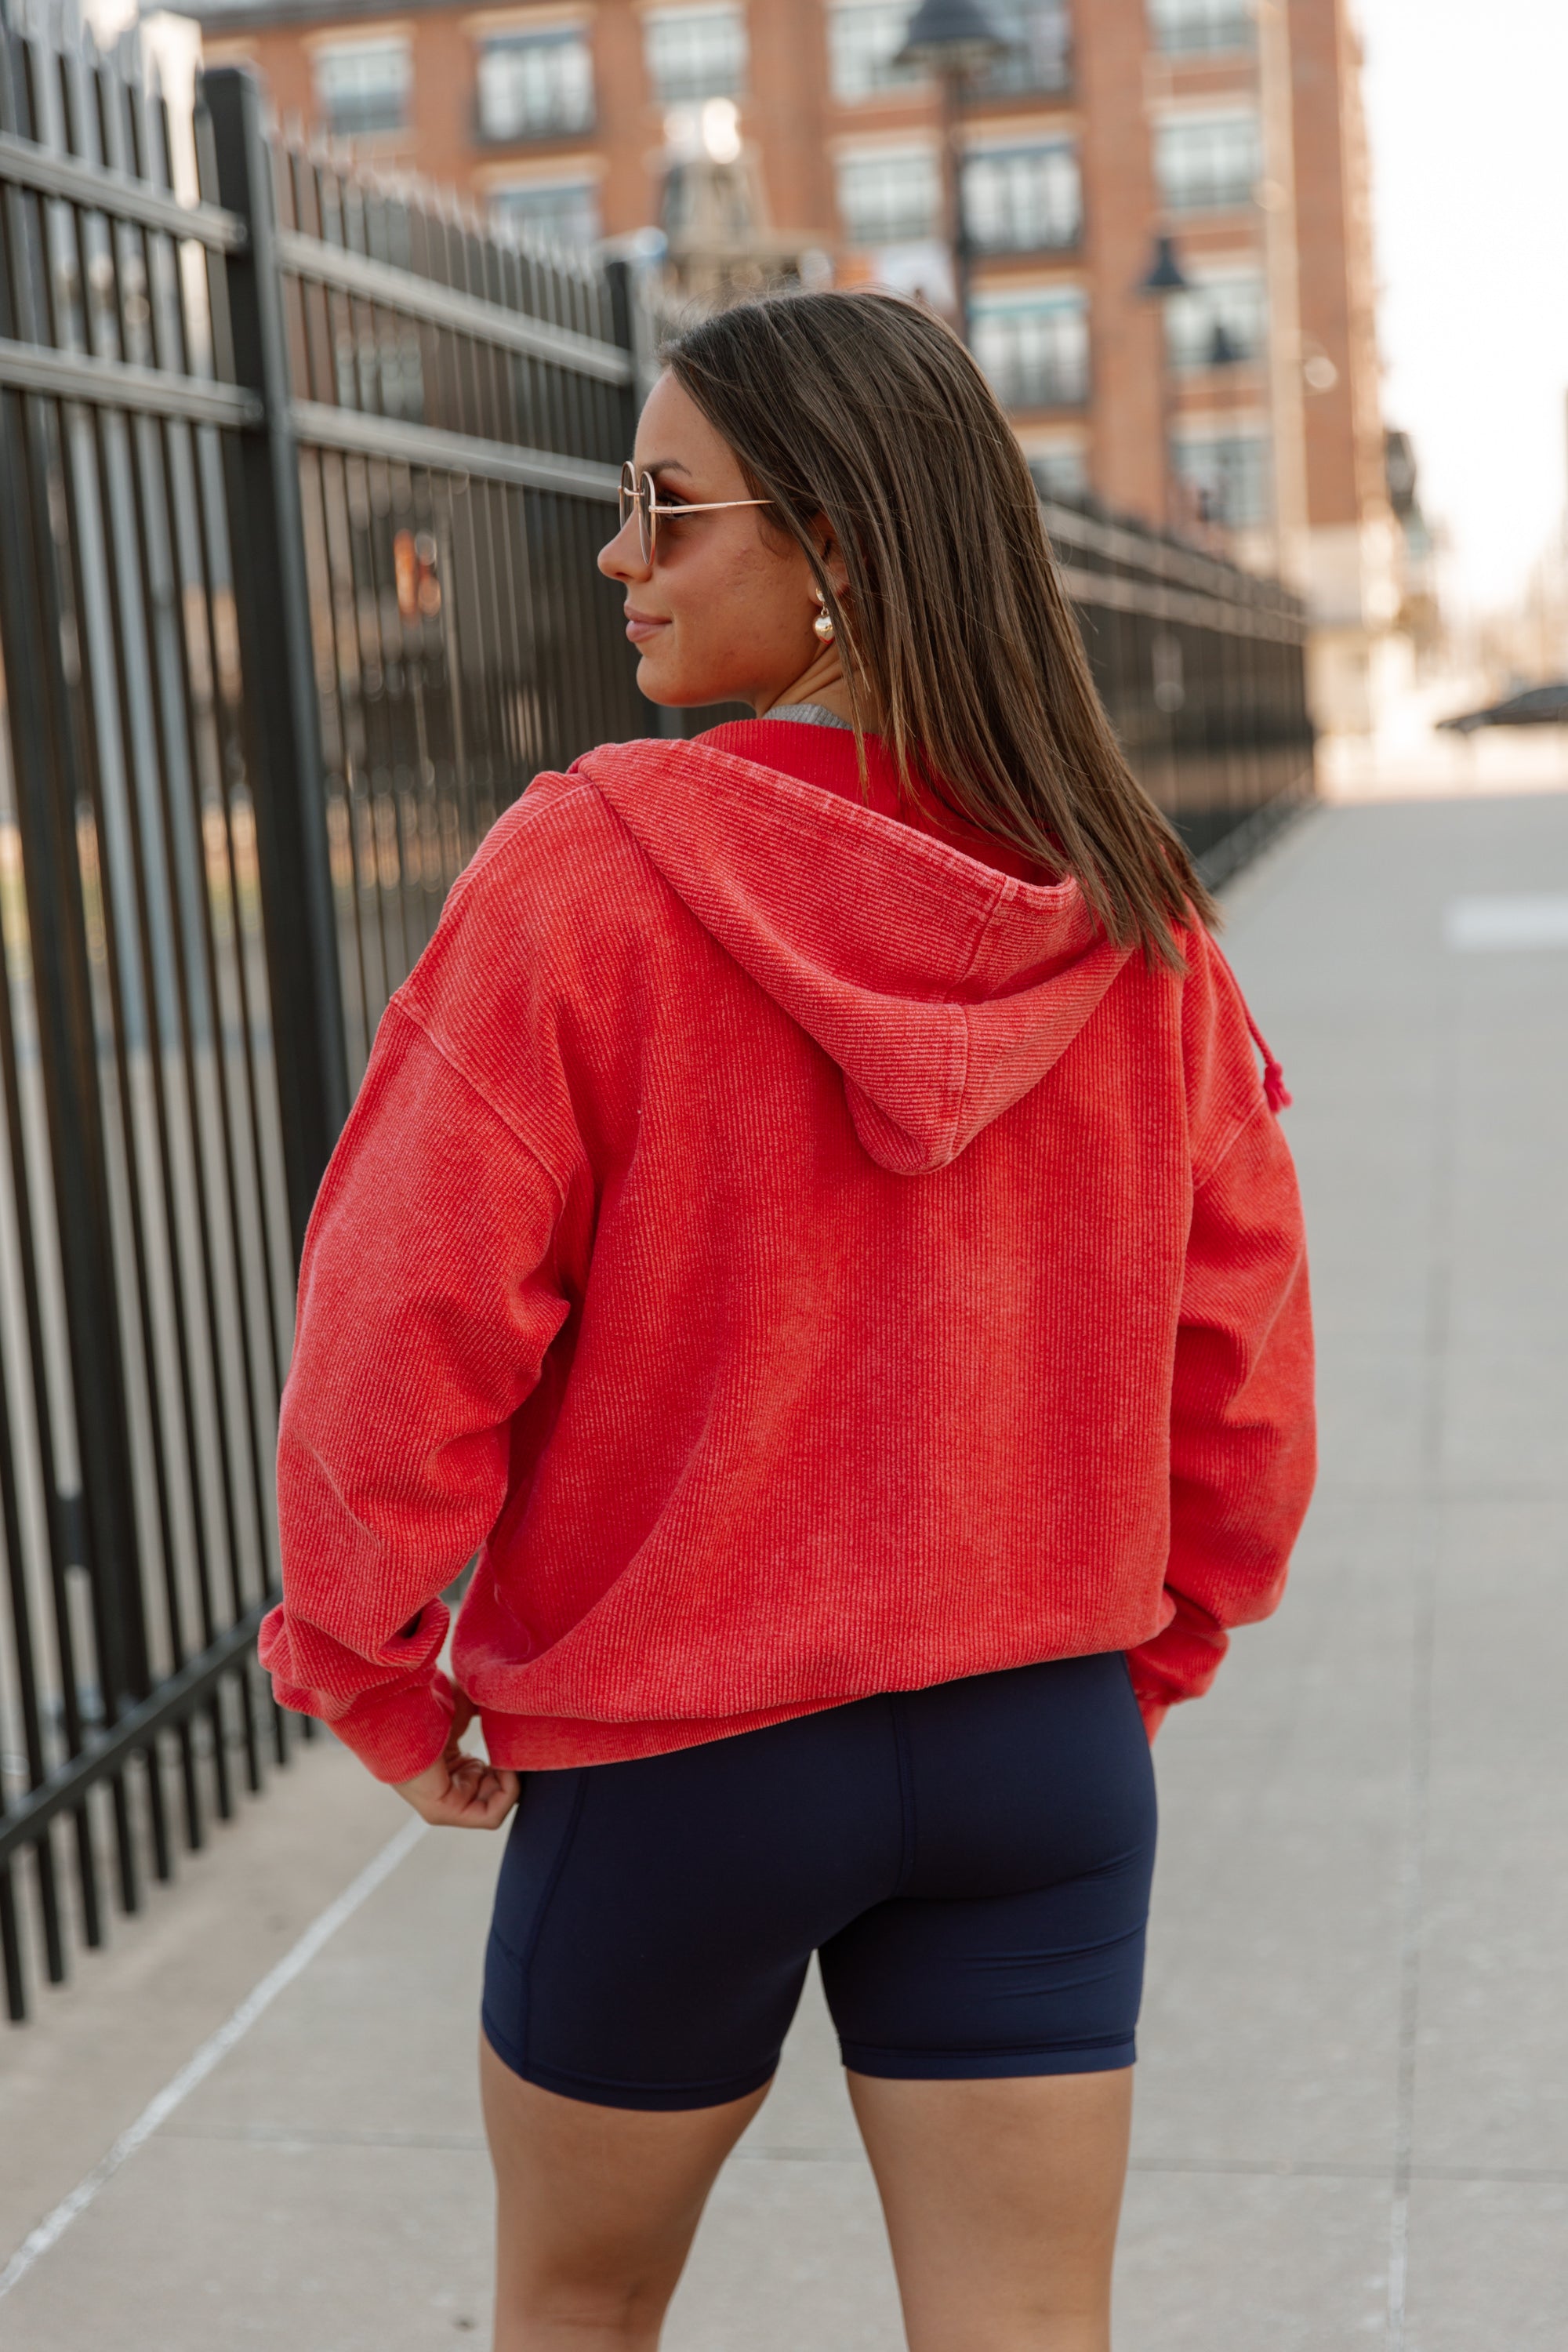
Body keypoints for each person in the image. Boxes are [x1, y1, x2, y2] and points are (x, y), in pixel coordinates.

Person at [260, 288, 1314, 2352]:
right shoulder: (1134, 908)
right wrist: (1156, 1643)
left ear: (831, 542)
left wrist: (368, 1659)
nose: (615, 554)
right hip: (1034, 1741)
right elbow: (1245, 1360)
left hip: (681, 1759)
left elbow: (400, 1323)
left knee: (578, 2310)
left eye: (665, 506)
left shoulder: (586, 877)